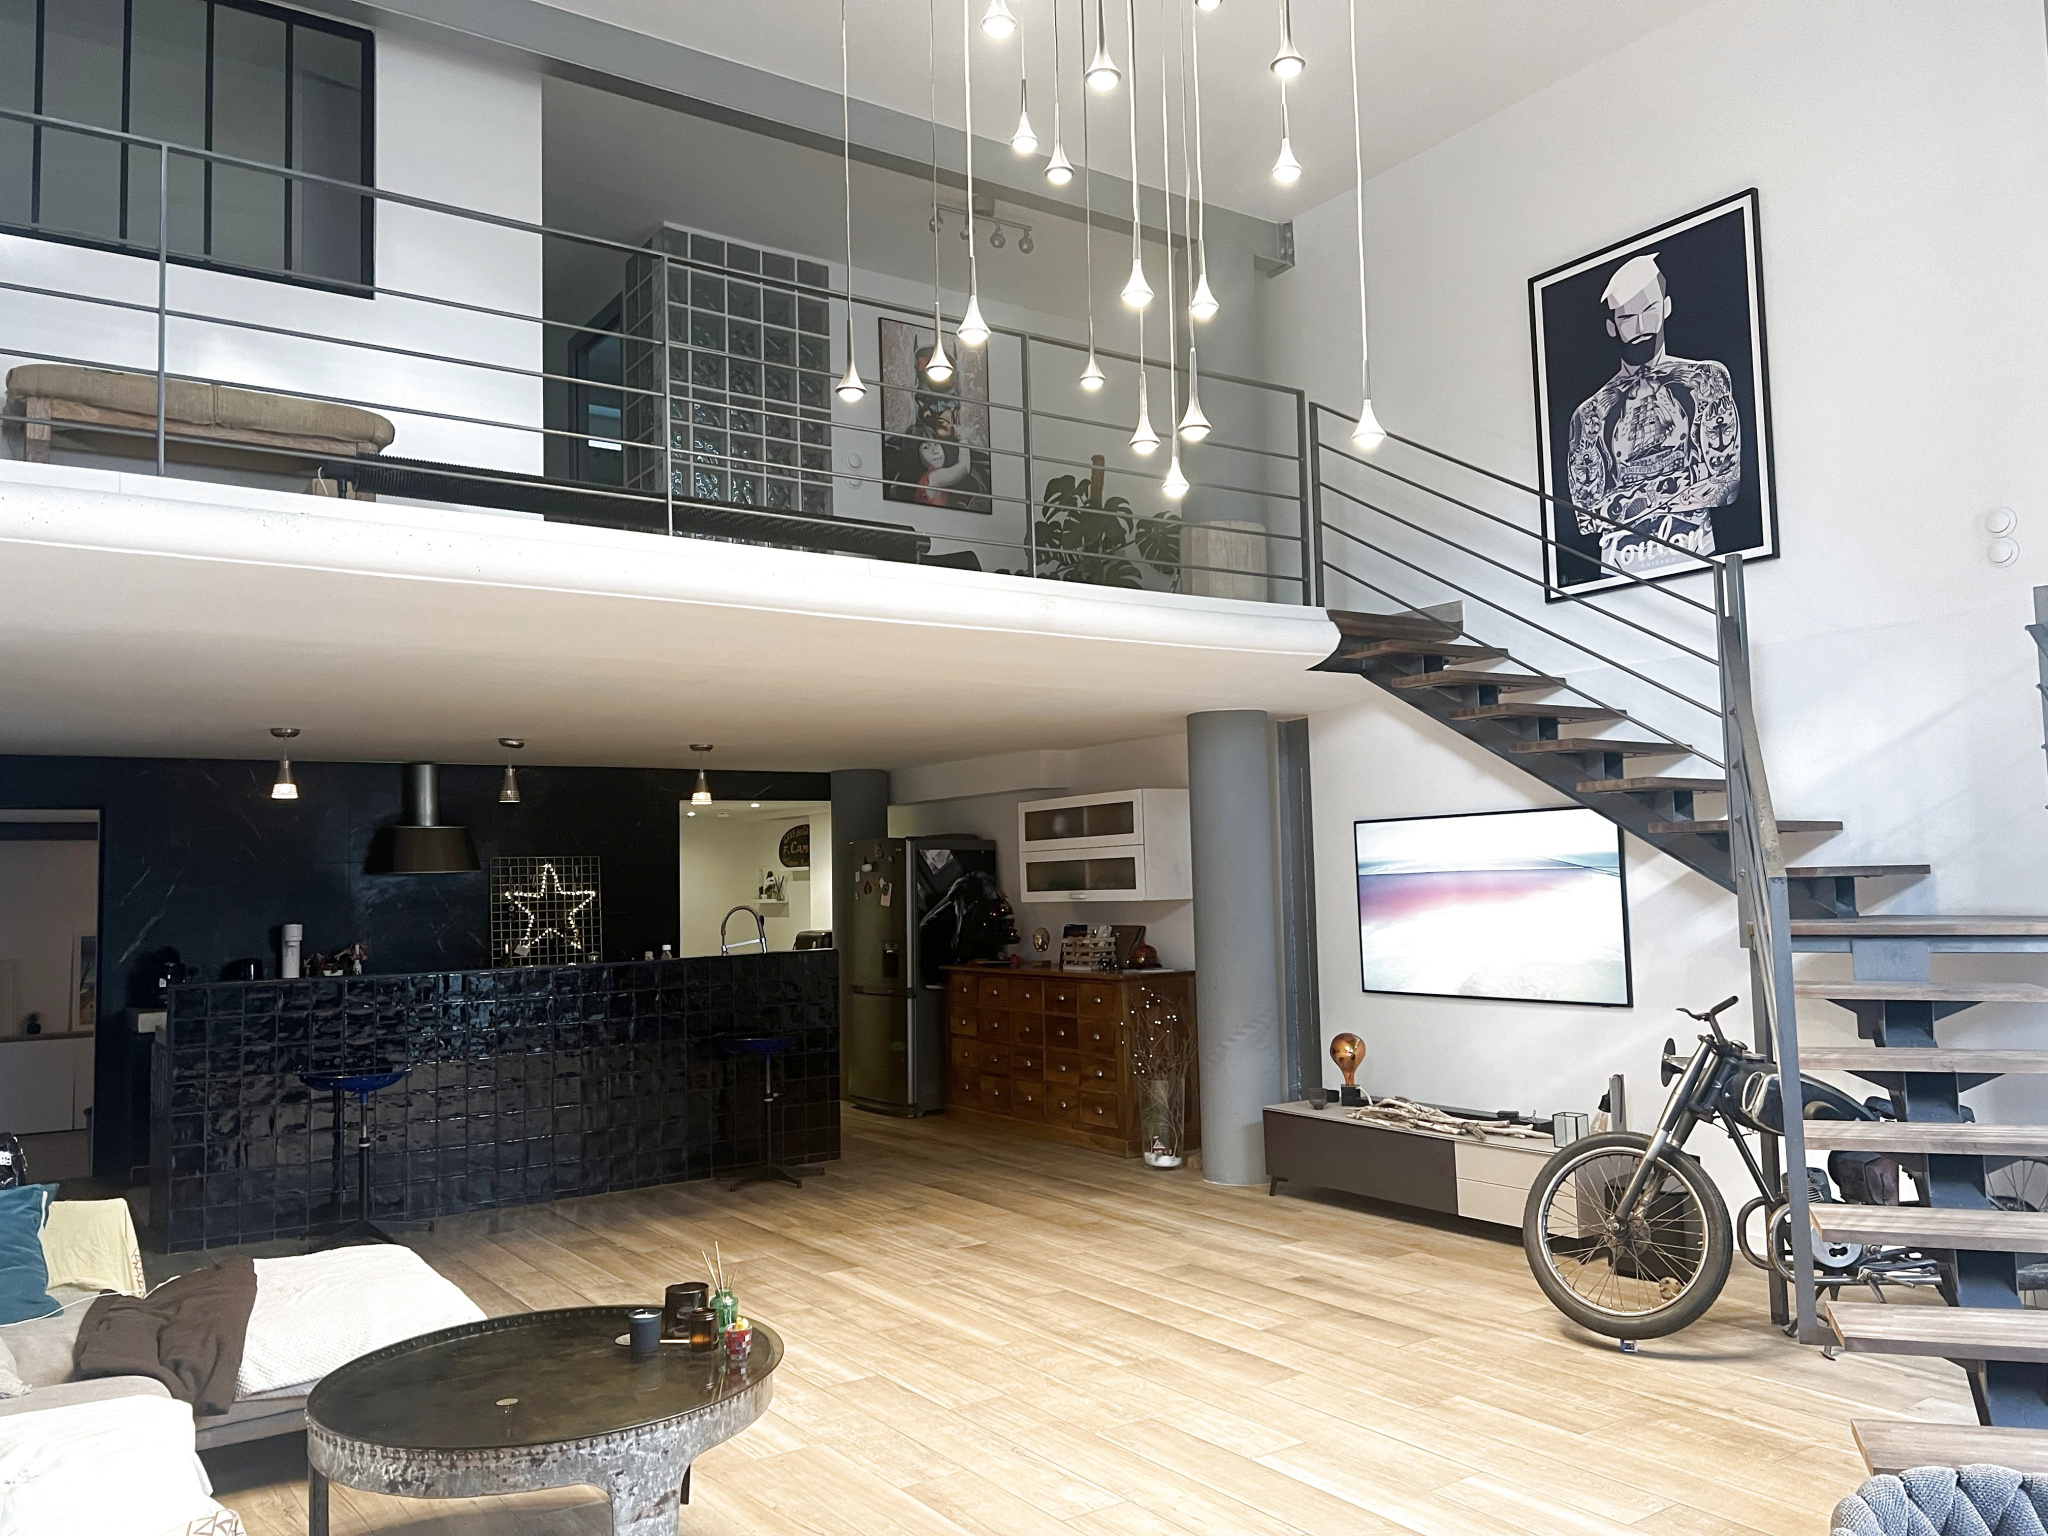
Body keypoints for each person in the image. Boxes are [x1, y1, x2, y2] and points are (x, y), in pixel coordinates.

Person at [1564, 252, 1741, 579]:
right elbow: (1588, 519)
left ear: (1666, 307)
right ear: (1611, 327)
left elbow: (1726, 484)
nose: (1641, 326)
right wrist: (1683, 484)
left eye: (1649, 310)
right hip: (1619, 569)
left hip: (1696, 557)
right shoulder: (1589, 413)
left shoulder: (1705, 379)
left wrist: (1631, 500)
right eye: (1627, 317)